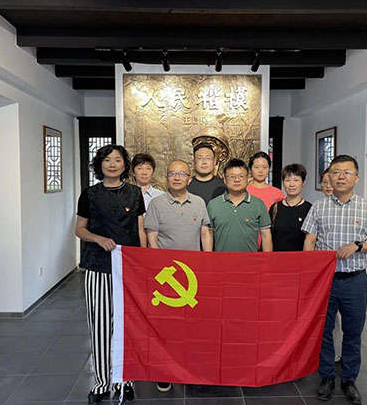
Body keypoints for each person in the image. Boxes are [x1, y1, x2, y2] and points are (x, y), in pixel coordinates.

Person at [301, 155, 367, 404]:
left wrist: (358, 246)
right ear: (329, 176)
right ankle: (327, 377)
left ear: (356, 178)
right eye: (336, 172)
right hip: (325, 281)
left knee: (353, 332)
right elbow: (309, 240)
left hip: (355, 281)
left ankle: (349, 380)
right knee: (324, 330)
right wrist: (309, 271)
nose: (341, 177)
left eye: (347, 172)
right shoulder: (319, 207)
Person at [75, 145, 147, 404]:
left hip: (129, 268)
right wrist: (98, 238)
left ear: (125, 165)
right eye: (107, 160)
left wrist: (144, 261)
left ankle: (125, 380)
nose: (113, 164)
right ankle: (101, 382)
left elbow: (140, 230)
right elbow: (79, 229)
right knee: (101, 325)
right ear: (100, 164)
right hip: (98, 266)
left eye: (118, 160)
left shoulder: (135, 193)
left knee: (127, 325)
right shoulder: (89, 194)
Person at [144, 160, 212, 393]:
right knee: (167, 326)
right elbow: (152, 238)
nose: (176, 177)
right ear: (167, 177)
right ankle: (165, 371)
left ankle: (191, 368)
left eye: (181, 174)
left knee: (193, 325)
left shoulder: (199, 202)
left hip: (194, 274)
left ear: (189, 179)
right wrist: (158, 267)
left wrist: (208, 262)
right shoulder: (157, 204)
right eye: (172, 173)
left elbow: (205, 233)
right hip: (167, 275)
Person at [207, 158, 272, 252]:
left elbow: (266, 235)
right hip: (221, 259)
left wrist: (268, 259)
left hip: (250, 259)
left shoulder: (258, 204)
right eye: (232, 176)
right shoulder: (213, 205)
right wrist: (208, 258)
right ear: (224, 179)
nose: (237, 180)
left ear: (247, 178)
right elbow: (209, 234)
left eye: (241, 176)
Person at [321, 166, 343, 364]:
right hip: (322, 274)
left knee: (342, 320)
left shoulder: (361, 207)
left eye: (331, 181)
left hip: (347, 273)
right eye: (325, 182)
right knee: (325, 318)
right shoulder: (318, 208)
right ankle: (325, 358)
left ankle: (339, 353)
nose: (328, 186)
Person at [269, 163, 311, 251]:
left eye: (296, 180)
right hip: (277, 257)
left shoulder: (310, 209)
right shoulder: (275, 208)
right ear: (283, 183)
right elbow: (268, 236)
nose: (291, 184)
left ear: (303, 182)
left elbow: (311, 240)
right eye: (287, 180)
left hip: (300, 258)